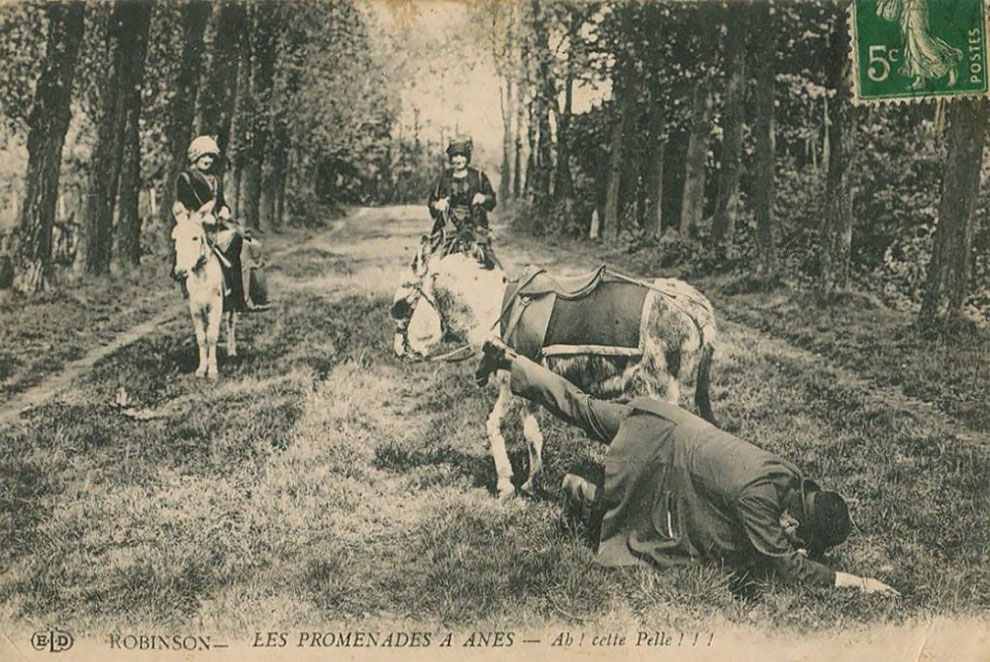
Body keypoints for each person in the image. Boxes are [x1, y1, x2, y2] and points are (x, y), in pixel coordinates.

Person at [473, 339, 901, 596]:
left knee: (580, 407)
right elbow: (785, 567)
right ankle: (582, 493)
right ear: (798, 521)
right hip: (657, 449)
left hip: (661, 416)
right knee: (645, 526)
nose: (791, 534)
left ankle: (514, 362)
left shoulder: (784, 474)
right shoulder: (759, 502)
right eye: (798, 532)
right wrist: (854, 581)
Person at [172, 135, 268, 311]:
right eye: (203, 156)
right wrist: (200, 218)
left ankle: (242, 295)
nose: (208, 160)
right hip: (194, 226)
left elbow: (221, 202)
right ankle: (186, 280)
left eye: (210, 157)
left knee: (248, 244)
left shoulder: (215, 180)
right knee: (233, 243)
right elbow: (181, 206)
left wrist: (225, 210)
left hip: (216, 225)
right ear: (195, 156)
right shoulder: (186, 179)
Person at [427, 137, 498, 268]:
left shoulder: (478, 177)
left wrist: (483, 198)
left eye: (462, 155)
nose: (458, 159)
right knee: (434, 263)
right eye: (454, 156)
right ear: (450, 158)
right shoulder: (444, 177)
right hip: (448, 225)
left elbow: (492, 200)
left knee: (485, 263)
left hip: (474, 225)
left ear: (467, 157)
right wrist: (438, 204)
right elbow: (432, 201)